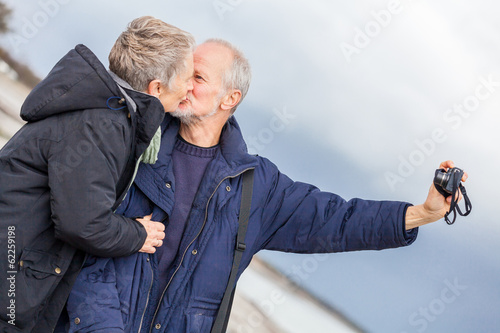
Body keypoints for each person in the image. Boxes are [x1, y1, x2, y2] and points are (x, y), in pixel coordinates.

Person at [65, 39, 467, 333]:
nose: (184, 84)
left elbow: (336, 219)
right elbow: (86, 241)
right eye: (184, 74)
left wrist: (421, 213)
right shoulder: (136, 141)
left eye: (198, 77)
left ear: (230, 98)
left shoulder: (258, 186)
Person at [0, 16, 196, 332]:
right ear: (156, 87)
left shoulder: (107, 114)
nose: (191, 86)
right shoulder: (101, 125)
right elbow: (82, 223)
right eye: (188, 77)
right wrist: (139, 235)